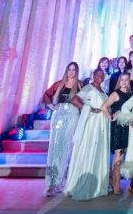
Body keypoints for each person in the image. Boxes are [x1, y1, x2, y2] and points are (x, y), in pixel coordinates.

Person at [66, 68, 109, 201]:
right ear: (93, 76)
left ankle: (97, 185)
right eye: (98, 75)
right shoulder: (88, 88)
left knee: (98, 152)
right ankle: (83, 183)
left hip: (102, 125)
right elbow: (74, 99)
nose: (100, 77)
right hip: (92, 125)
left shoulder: (103, 91)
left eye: (102, 75)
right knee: (89, 150)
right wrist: (88, 108)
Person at [42, 62, 84, 197]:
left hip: (72, 116)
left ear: (77, 71)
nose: (71, 72)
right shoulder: (58, 84)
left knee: (66, 149)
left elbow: (85, 102)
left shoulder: (80, 85)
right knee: (54, 149)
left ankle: (61, 182)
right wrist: (51, 106)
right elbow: (46, 95)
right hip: (58, 116)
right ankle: (51, 183)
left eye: (74, 70)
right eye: (69, 69)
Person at [101, 72, 132, 194]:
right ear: (119, 81)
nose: (124, 82)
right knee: (118, 156)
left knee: (121, 156)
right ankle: (116, 186)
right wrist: (111, 118)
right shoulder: (116, 94)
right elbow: (103, 107)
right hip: (118, 128)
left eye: (126, 80)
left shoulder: (130, 94)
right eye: (122, 80)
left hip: (126, 128)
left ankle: (114, 182)